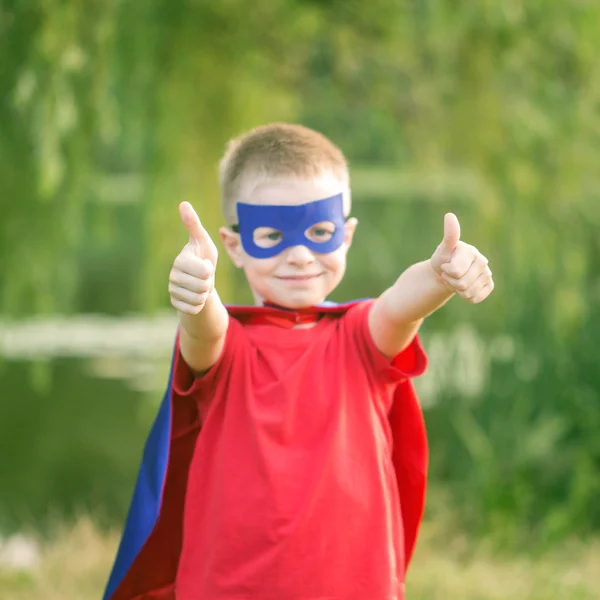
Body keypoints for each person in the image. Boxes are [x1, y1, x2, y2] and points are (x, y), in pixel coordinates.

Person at [103, 123, 494, 600]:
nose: (300, 254)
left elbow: (399, 304)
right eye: (272, 235)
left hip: (353, 584)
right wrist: (197, 293)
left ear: (346, 235)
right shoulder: (228, 349)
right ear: (234, 245)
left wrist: (439, 275)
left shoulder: (361, 338)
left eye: (320, 231)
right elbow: (205, 330)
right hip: (230, 586)